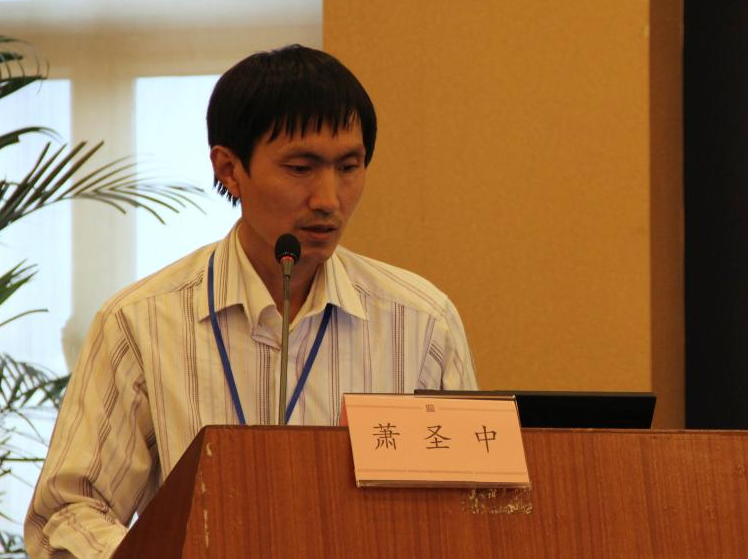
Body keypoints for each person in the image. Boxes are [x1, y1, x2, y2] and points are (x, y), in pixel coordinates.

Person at [24, 45, 477, 558]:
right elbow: (68, 511)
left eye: (349, 166)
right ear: (229, 168)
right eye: (301, 168)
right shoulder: (139, 322)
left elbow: (469, 502)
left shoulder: (421, 322)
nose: (329, 199)